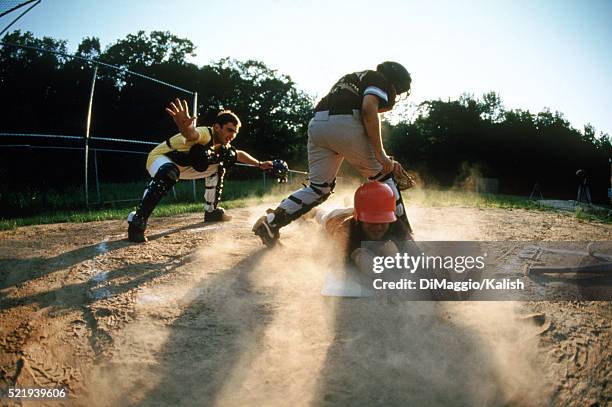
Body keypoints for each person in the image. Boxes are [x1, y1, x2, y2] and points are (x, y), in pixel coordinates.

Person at [253, 61, 413, 247]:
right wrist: (381, 154)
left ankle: (271, 221)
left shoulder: (354, 77)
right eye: (398, 90)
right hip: (344, 123)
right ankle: (405, 239)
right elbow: (368, 109)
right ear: (394, 82)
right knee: (385, 176)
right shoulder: (379, 79)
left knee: (319, 188)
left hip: (318, 125)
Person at [127, 99, 272, 243]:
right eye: (229, 130)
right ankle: (137, 221)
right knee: (169, 172)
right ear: (216, 127)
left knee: (221, 163)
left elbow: (238, 154)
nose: (232, 135)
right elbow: (191, 134)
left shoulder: (222, 144)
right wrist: (184, 127)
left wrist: (259, 164)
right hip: (160, 159)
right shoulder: (205, 133)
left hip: (182, 166)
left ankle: (211, 211)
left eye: (235, 132)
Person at [314, 181, 412, 273]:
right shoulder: (345, 231)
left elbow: (415, 256)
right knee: (321, 215)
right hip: (338, 217)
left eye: (382, 222)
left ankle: (349, 203)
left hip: (360, 211)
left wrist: (397, 257)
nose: (377, 227)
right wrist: (357, 257)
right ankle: (314, 211)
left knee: (390, 251)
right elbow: (336, 267)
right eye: (371, 222)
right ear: (359, 221)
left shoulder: (395, 224)